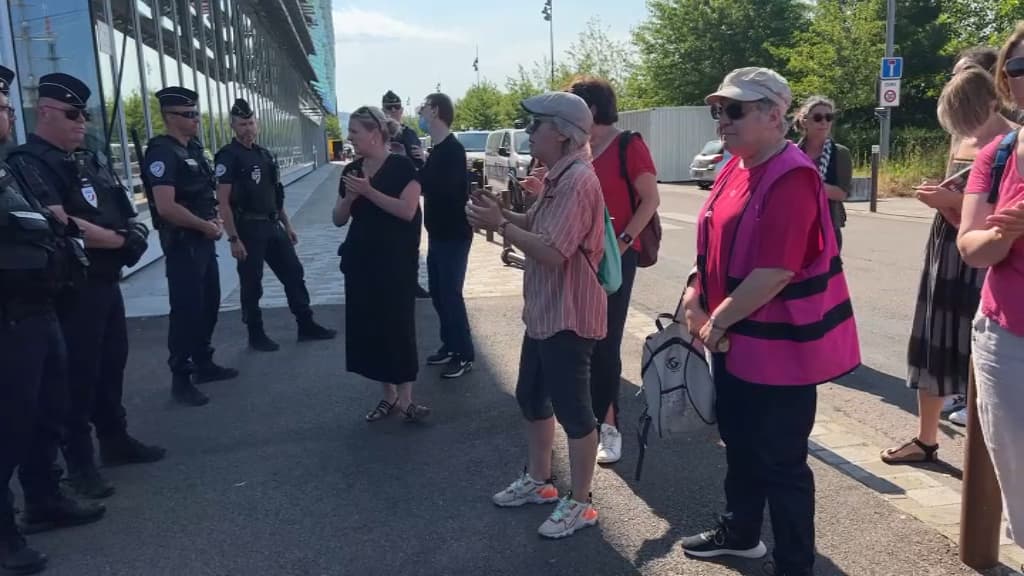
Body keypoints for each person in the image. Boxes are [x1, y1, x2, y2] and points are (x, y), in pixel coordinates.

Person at [677, 68, 859, 576]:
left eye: (734, 110)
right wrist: (696, 292)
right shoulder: (738, 164)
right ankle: (741, 532)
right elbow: (713, 239)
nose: (722, 120)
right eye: (719, 110)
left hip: (777, 351)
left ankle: (795, 563)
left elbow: (777, 270)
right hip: (735, 340)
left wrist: (715, 320)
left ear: (775, 116)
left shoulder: (793, 174)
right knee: (740, 443)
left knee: (781, 463)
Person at [5, 73, 165, 501]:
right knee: (77, 377)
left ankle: (114, 438)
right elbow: (59, 221)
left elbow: (120, 206)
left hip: (106, 281)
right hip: (72, 287)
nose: (81, 123)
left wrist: (130, 232)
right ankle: (78, 465)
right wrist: (116, 240)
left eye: (85, 115)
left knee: (111, 364)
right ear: (45, 113)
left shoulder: (88, 156)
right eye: (73, 114)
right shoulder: (30, 161)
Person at [468, 92, 607, 539]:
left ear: (563, 134)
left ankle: (581, 502)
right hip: (547, 312)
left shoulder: (578, 180)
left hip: (569, 314)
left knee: (575, 411)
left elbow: (551, 251)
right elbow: (540, 229)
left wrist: (502, 225)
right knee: (532, 397)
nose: (528, 132)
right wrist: (500, 215)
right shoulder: (558, 176)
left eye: (536, 124)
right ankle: (541, 481)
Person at [880, 50, 1012, 464]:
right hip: (945, 246)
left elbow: (992, 224)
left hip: (981, 259)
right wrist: (940, 197)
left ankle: (986, 458)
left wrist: (943, 202)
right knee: (933, 341)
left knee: (981, 353)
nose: (956, 81)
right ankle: (926, 439)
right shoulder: (962, 135)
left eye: (965, 75)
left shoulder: (1008, 142)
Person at [0, 64, 105, 575]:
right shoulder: (20, 164)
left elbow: (48, 224)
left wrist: (42, 223)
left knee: (45, 412)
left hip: (38, 305)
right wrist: (42, 222)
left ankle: (45, 498)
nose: (3, 115)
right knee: (8, 426)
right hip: (9, 316)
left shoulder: (2, 168)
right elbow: (36, 221)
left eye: (3, 105)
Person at [566, 76, 660, 465]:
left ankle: (610, 426)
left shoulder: (628, 144)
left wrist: (621, 243)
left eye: (572, 106)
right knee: (580, 338)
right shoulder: (579, 149)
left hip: (615, 256)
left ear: (591, 109)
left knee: (605, 341)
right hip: (579, 255)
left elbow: (650, 199)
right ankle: (589, 419)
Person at [957, 23, 1024, 551]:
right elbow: (971, 248)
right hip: (1010, 340)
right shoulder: (996, 156)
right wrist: (1007, 227)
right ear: (1006, 81)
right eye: (1021, 67)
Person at [214, 98, 335, 351]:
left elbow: (275, 196)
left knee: (294, 273)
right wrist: (233, 238)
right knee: (252, 283)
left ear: (256, 124)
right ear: (233, 126)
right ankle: (255, 333)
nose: (247, 128)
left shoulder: (265, 154)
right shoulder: (228, 156)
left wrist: (288, 226)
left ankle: (306, 324)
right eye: (242, 124)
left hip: (272, 225)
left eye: (250, 122)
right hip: (247, 228)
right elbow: (223, 202)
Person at [333, 106, 430, 423]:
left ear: (374, 135)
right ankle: (387, 395)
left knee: (398, 328)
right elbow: (338, 219)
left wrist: (369, 192)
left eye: (355, 132)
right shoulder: (351, 170)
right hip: (362, 261)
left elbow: (406, 210)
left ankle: (407, 399)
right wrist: (349, 198)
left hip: (395, 264)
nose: (350, 138)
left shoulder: (402, 167)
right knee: (371, 328)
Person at [142, 86, 238, 407]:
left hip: (204, 239)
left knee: (208, 303)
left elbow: (204, 193)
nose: (195, 119)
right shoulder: (161, 152)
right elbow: (166, 206)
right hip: (184, 243)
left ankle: (203, 362)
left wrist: (216, 222)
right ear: (169, 117)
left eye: (196, 113)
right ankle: (181, 376)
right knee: (186, 310)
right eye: (188, 115)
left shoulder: (194, 148)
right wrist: (204, 226)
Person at [416, 93, 476, 379]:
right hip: (438, 234)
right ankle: (450, 345)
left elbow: (444, 187)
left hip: (454, 235)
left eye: (424, 108)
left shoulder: (453, 150)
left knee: (451, 294)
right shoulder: (437, 150)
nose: (421, 113)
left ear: (436, 111)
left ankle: (465, 353)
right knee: (439, 293)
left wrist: (419, 175)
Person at [381, 90, 430, 299]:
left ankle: (412, 283)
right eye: (389, 108)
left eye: (396, 108)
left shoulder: (408, 133)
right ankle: (389, 283)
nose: (393, 111)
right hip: (384, 195)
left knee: (411, 243)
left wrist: (425, 157)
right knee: (386, 244)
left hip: (408, 194)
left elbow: (418, 163)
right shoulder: (378, 133)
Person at [794, 96, 851, 251]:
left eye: (829, 117)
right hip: (795, 223)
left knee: (827, 274)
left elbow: (841, 194)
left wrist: (809, 182)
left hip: (828, 226)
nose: (824, 122)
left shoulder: (840, 153)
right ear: (804, 121)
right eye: (818, 117)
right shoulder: (791, 153)